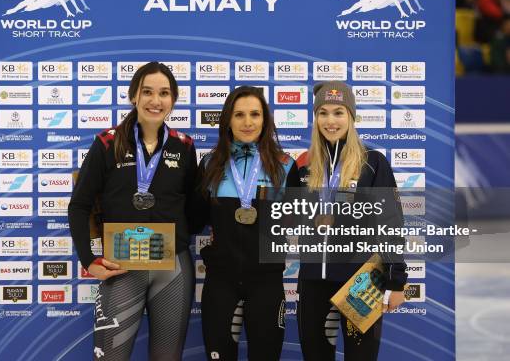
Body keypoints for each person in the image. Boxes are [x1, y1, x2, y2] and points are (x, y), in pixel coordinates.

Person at [68, 62, 197, 360]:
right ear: (133, 96)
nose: (156, 100)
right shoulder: (107, 143)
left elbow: (193, 208)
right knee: (110, 356)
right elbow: (79, 206)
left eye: (164, 93)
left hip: (172, 267)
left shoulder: (183, 147)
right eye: (148, 92)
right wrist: (89, 260)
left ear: (173, 100)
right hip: (122, 265)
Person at [296, 81, 407, 361]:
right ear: (315, 117)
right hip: (313, 280)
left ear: (351, 116)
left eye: (338, 112)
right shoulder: (304, 165)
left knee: (361, 357)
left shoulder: (373, 163)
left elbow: (391, 224)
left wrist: (396, 281)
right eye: (323, 112)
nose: (330, 121)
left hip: (362, 280)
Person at [192, 86, 300, 360]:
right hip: (220, 281)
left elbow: (296, 222)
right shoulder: (209, 165)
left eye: (255, 114)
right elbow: (194, 221)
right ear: (227, 119)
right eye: (239, 114)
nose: (248, 122)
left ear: (265, 119)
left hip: (267, 281)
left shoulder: (285, 166)